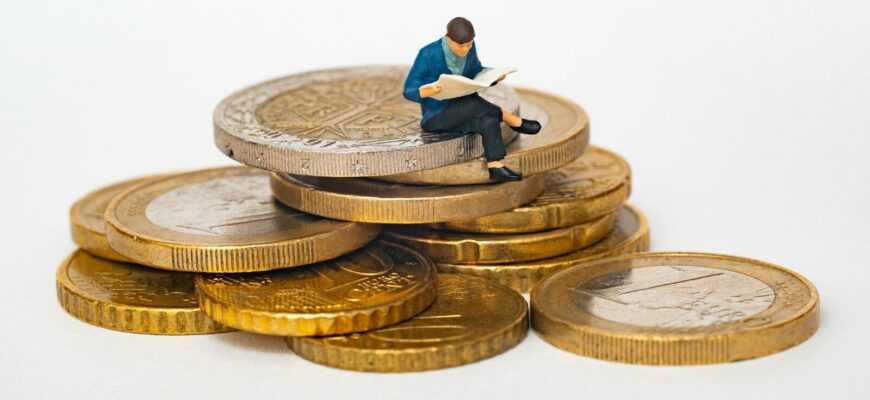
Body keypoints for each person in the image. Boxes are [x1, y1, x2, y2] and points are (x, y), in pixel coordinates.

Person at [403, 17, 541, 182]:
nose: (465, 49)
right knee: (472, 103)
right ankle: (513, 120)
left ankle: (495, 166)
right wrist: (428, 90)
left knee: (488, 119)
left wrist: (493, 77)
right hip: (437, 116)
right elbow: (409, 89)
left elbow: (476, 71)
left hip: (466, 111)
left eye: (469, 44)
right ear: (448, 38)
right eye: (460, 45)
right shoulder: (428, 53)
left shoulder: (470, 48)